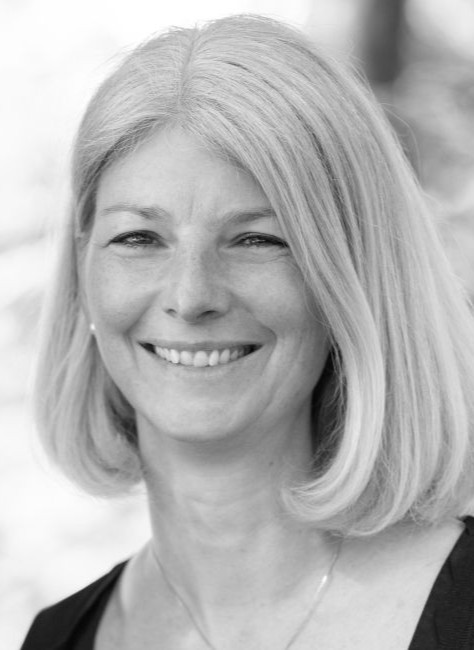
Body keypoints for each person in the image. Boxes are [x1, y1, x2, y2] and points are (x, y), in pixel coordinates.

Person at [21, 13, 474, 650]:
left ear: (352, 278)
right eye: (140, 238)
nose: (191, 297)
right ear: (82, 272)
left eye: (257, 239)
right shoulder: (56, 638)